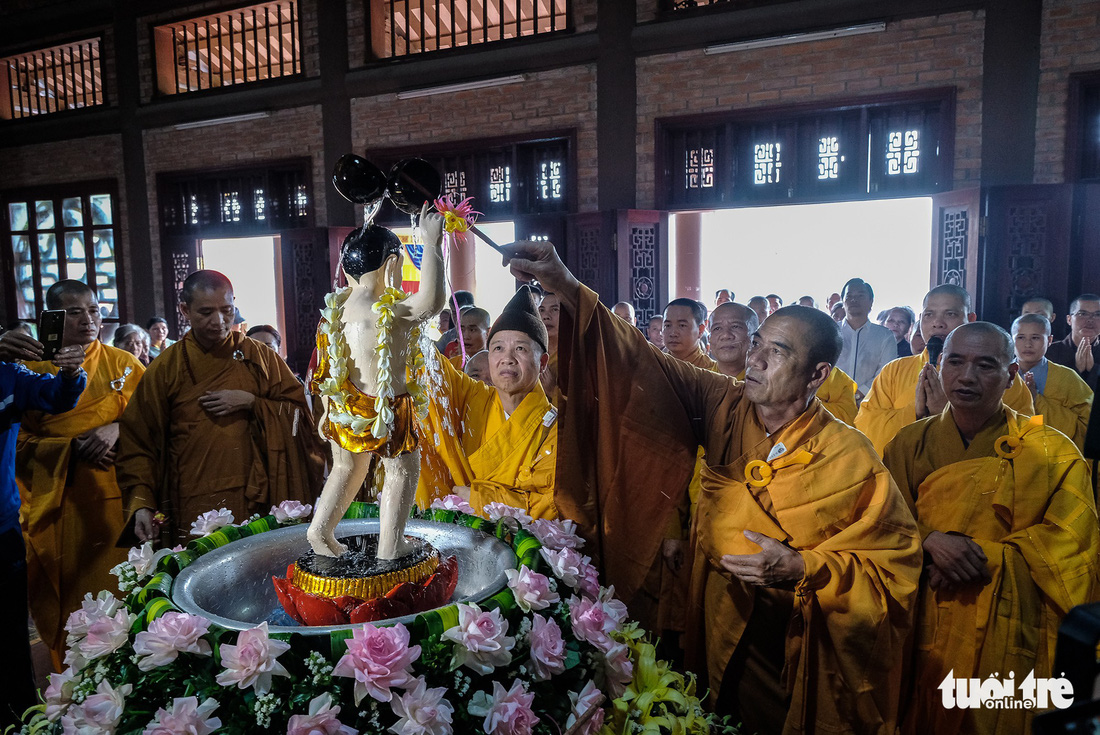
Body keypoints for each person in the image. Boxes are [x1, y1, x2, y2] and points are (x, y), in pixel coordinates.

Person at [504, 240, 923, 734]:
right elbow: (640, 359)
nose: (756, 360)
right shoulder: (723, 402)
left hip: (795, 638)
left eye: (777, 352)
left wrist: (802, 566)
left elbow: (894, 567)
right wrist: (568, 287)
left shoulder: (851, 455)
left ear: (818, 375)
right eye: (758, 345)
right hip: (719, 611)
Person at [883, 322, 1099, 734]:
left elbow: (1073, 544)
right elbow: (879, 523)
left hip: (1009, 621)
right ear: (939, 365)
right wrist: (929, 540)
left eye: (986, 365)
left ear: (1012, 374)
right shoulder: (908, 443)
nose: (967, 377)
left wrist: (986, 558)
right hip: (923, 618)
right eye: (956, 362)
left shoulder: (1050, 449)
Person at [116, 270, 323, 546]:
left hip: (257, 495)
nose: (219, 321)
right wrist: (142, 502)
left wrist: (253, 403)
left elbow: (301, 416)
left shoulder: (259, 356)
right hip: (192, 495)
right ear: (185, 310)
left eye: (227, 310)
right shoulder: (167, 366)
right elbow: (139, 439)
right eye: (206, 312)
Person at [15, 280, 144, 663]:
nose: (88, 320)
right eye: (74, 312)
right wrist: (68, 448)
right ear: (52, 317)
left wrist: (120, 427)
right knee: (73, 612)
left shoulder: (124, 363)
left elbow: (157, 426)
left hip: (117, 512)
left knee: (124, 606)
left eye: (94, 310)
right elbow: (16, 446)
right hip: (59, 509)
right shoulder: (31, 369)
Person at [307, 213, 446, 559]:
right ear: (391, 266)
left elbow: (325, 368)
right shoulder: (390, 311)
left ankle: (320, 530)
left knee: (345, 469)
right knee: (402, 469)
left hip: (344, 406)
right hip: (388, 407)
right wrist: (431, 244)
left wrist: (326, 411)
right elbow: (431, 302)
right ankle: (390, 544)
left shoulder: (334, 312)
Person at [0, 331, 85, 728]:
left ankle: (18, 719)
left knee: (11, 634)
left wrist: (70, 375)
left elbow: (56, 398)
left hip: (1, 527)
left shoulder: (9, 373)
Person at [417, 286, 559, 519]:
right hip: (455, 539)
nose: (507, 359)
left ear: (543, 362)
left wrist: (477, 498)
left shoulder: (554, 430)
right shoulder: (471, 396)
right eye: (498, 348)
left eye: (520, 348)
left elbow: (551, 505)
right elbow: (427, 364)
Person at [855, 284, 1035, 455]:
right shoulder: (894, 370)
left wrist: (952, 415)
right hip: (902, 481)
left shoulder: (998, 375)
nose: (937, 323)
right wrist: (914, 412)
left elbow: (1029, 432)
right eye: (929, 315)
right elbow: (865, 425)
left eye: (950, 314)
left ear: (970, 319)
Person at [710, 302, 859, 424]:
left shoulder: (809, 370)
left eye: (776, 351)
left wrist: (786, 407)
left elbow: (848, 414)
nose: (726, 335)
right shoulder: (704, 382)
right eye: (717, 328)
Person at [1012, 314, 1092, 449]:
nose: (1028, 344)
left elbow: (1088, 426)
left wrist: (1036, 400)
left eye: (1035, 338)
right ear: (1011, 340)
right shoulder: (998, 375)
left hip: (1055, 455)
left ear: (1049, 340)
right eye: (1021, 337)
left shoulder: (1067, 377)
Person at [836, 278, 898, 403]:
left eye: (860, 295)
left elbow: (885, 372)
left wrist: (860, 393)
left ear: (871, 302)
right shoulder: (830, 332)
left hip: (869, 404)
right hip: (831, 404)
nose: (854, 300)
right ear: (843, 301)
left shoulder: (884, 336)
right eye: (849, 296)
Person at [1046, 293, 1100, 386]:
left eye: (1097, 315)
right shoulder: (1050, 352)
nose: (1090, 320)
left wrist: (1094, 370)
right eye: (1082, 314)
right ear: (1069, 319)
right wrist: (1076, 370)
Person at [661, 298, 716, 370]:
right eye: (667, 325)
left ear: (700, 330)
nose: (673, 333)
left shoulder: (712, 371)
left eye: (682, 325)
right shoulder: (655, 365)